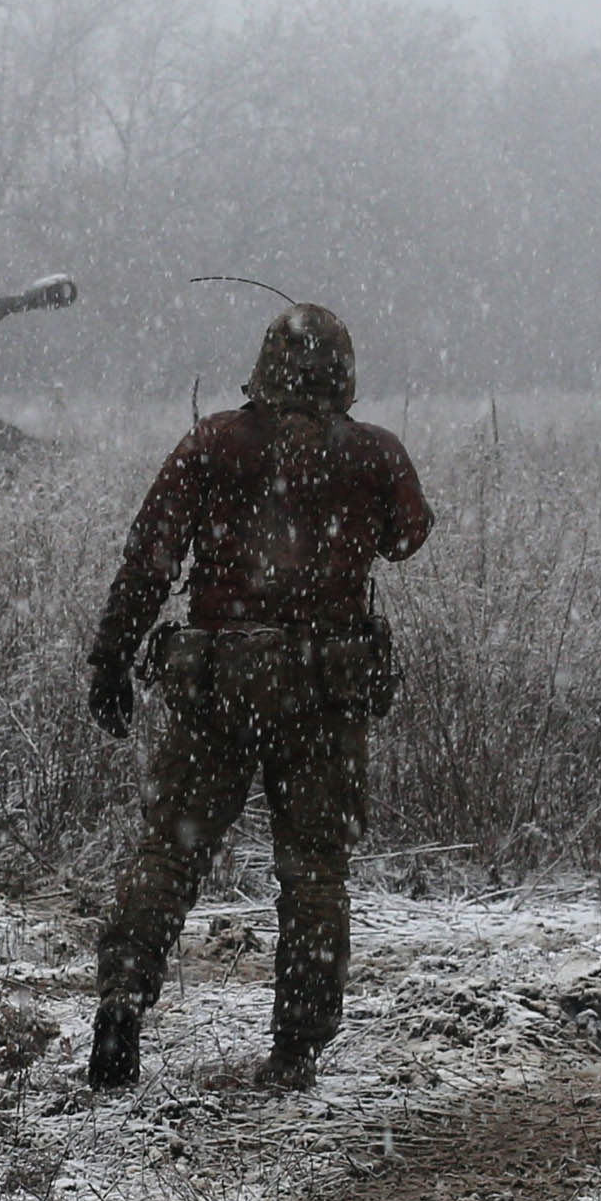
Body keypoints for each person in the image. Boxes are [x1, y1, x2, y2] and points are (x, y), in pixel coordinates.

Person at [83, 305, 432, 1092]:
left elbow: (151, 558)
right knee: (313, 871)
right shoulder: (374, 454)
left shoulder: (214, 445)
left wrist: (112, 655)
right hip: (322, 694)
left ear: (266, 364)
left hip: (218, 687)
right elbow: (408, 536)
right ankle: (296, 1049)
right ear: (342, 371)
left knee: (169, 854)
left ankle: (121, 1007)